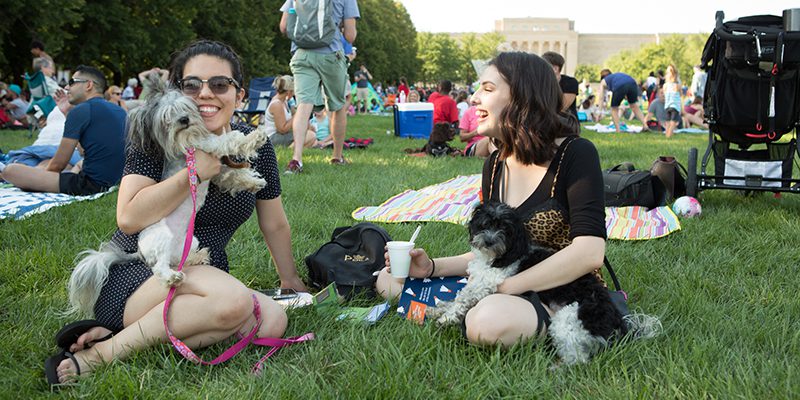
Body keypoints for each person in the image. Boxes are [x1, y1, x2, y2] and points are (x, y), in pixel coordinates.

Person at [51, 40, 306, 385]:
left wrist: (289, 280)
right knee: (233, 303)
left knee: (274, 319)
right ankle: (102, 353)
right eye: (191, 85)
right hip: (140, 270)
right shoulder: (157, 132)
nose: (205, 94)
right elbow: (128, 217)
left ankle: (124, 330)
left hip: (201, 269)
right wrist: (194, 173)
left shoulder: (249, 142)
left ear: (239, 95)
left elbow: (273, 222)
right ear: (178, 90)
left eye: (219, 84)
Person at [377, 52, 606, 347]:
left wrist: (501, 288)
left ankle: (495, 317)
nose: (473, 98)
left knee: (486, 323)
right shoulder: (496, 163)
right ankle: (462, 308)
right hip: (501, 283)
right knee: (388, 280)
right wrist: (431, 267)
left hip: (563, 294)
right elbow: (492, 251)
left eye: (487, 89)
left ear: (523, 97)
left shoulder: (576, 154)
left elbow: (588, 253)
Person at [2, 66, 126, 195]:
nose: (66, 87)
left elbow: (57, 165)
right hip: (119, 179)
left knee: (10, 171)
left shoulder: (82, 110)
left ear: (89, 85)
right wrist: (67, 113)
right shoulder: (119, 111)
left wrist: (39, 179)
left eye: (72, 82)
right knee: (57, 164)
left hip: (91, 185)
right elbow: (84, 152)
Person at [280, 0, 360, 174]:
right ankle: (337, 157)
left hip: (301, 55)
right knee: (338, 106)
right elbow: (350, 36)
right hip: (330, 55)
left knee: (303, 105)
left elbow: (284, 26)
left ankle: (296, 159)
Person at [264, 75, 315, 147]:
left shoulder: (284, 101)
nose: (294, 93)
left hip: (280, 135)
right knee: (310, 136)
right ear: (288, 92)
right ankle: (291, 149)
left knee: (311, 138)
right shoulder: (277, 104)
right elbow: (282, 129)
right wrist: (297, 114)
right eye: (293, 91)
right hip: (273, 138)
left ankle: (293, 147)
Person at [541, 51, 579, 120]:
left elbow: (562, 108)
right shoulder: (541, 83)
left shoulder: (570, 82)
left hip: (567, 124)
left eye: (543, 65)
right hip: (547, 122)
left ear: (555, 69)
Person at [663, 64, 682, 138]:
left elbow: (665, 94)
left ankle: (666, 134)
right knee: (673, 121)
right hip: (675, 106)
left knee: (668, 121)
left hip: (667, 105)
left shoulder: (665, 85)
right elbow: (680, 95)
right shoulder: (677, 85)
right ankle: (669, 135)